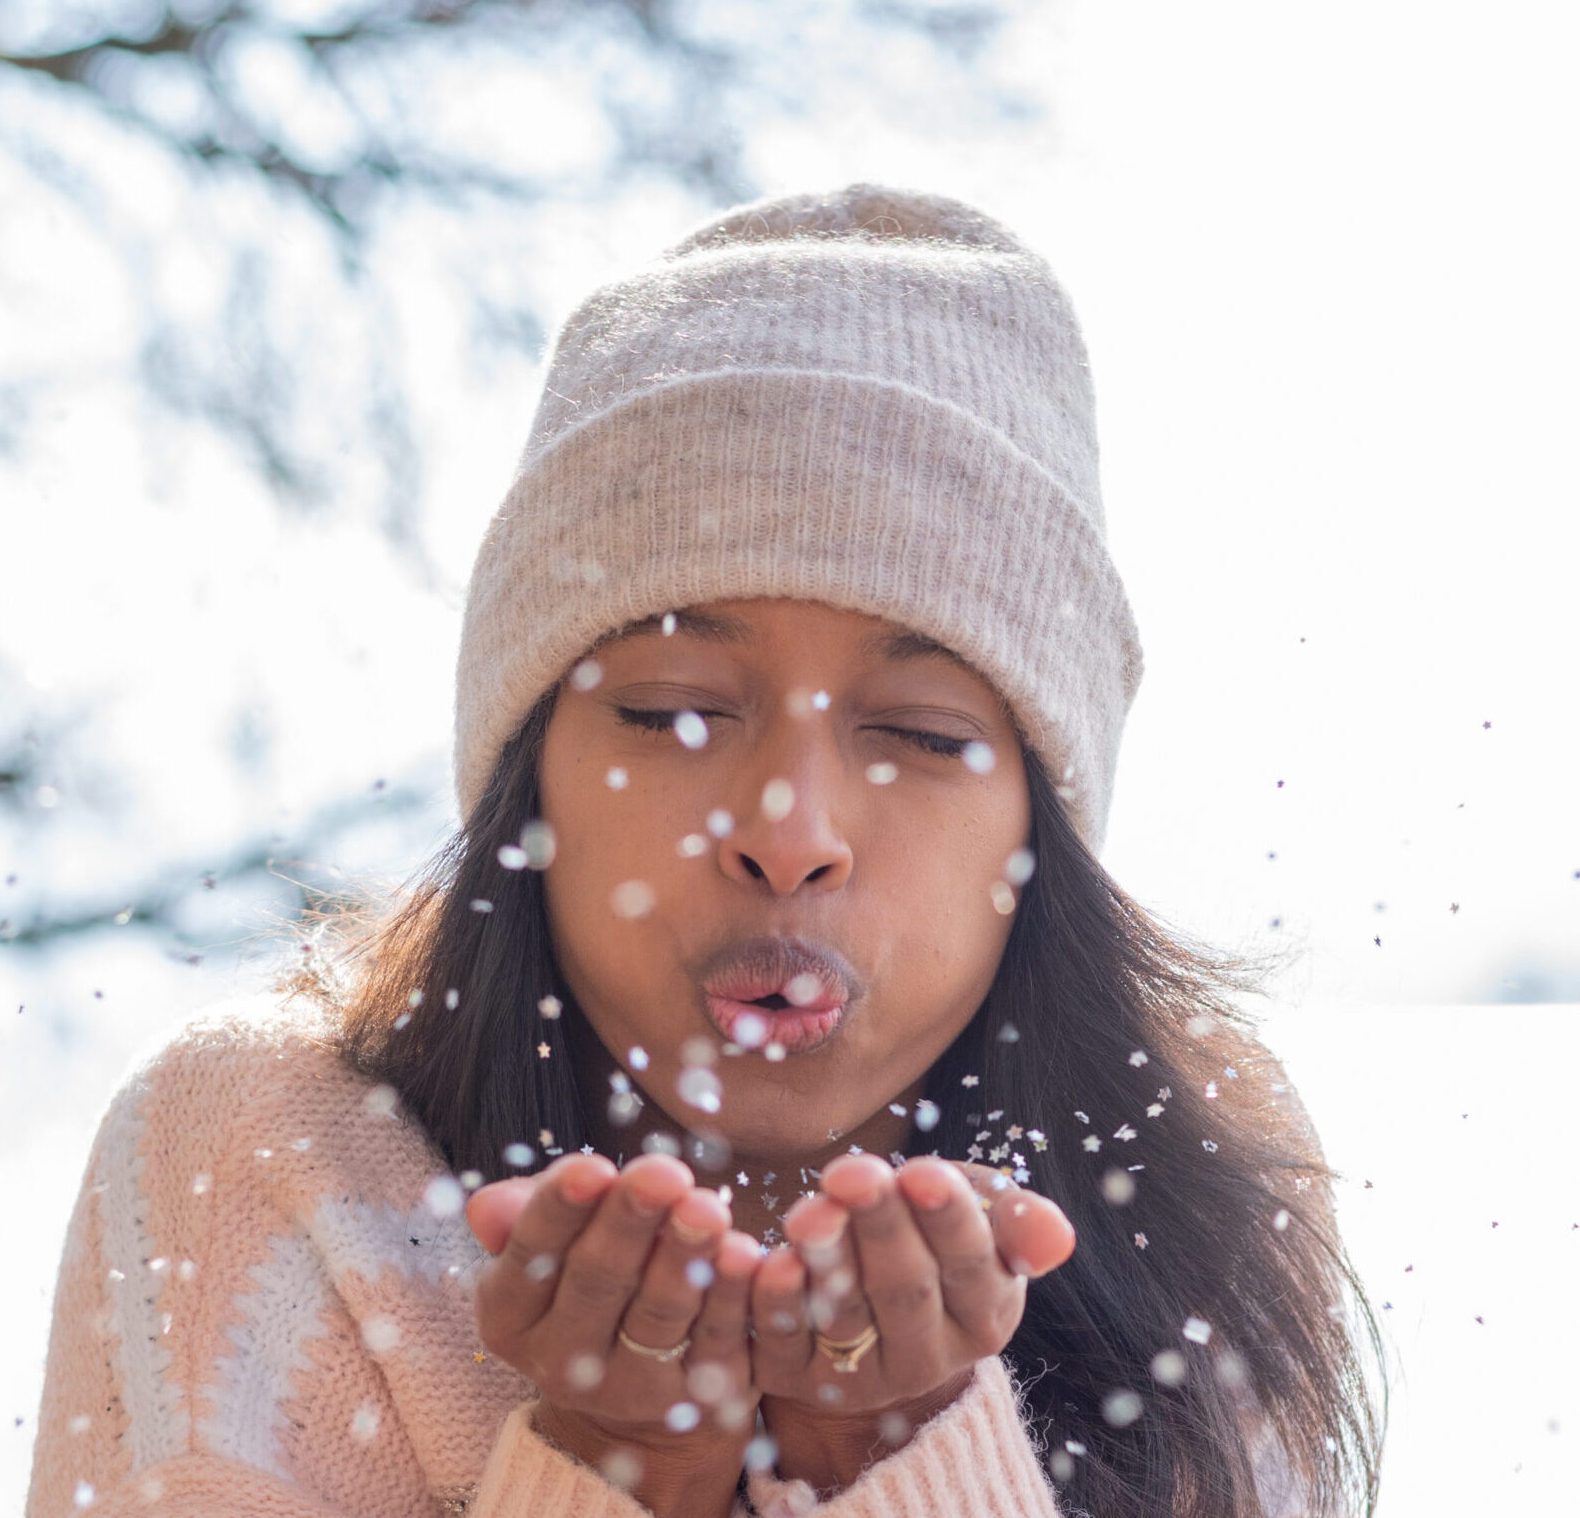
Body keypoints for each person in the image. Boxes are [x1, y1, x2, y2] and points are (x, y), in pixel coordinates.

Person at [27, 185, 1384, 1518]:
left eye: (915, 732)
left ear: (1040, 828)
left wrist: (908, 1456)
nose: (789, 831)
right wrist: (613, 1471)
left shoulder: (1190, 1164)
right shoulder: (272, 1152)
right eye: (673, 711)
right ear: (528, 770)